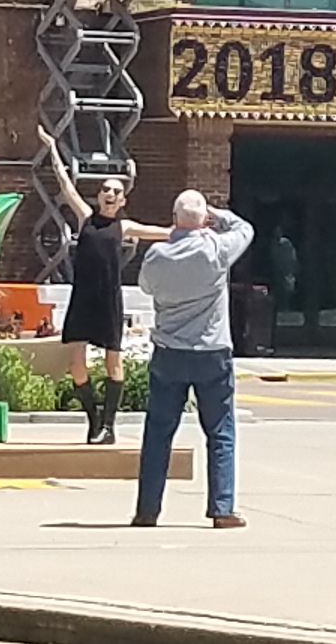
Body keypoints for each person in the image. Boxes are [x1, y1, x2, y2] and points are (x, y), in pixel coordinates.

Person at [129, 187, 255, 528]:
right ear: (203, 221)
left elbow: (146, 287)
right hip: (212, 351)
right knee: (220, 431)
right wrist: (217, 214)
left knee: (158, 432)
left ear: (174, 219)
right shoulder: (217, 249)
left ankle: (147, 509)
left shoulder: (157, 255)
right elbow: (245, 229)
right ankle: (222, 508)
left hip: (169, 352)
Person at [38, 131, 137, 441]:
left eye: (116, 191)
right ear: (99, 195)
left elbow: (164, 232)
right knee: (77, 365)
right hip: (83, 300)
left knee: (112, 361)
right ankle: (94, 421)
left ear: (122, 200)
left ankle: (109, 426)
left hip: (109, 301)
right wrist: (53, 148)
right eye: (105, 189)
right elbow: (66, 186)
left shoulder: (124, 226)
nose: (110, 194)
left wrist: (192, 229)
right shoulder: (86, 218)